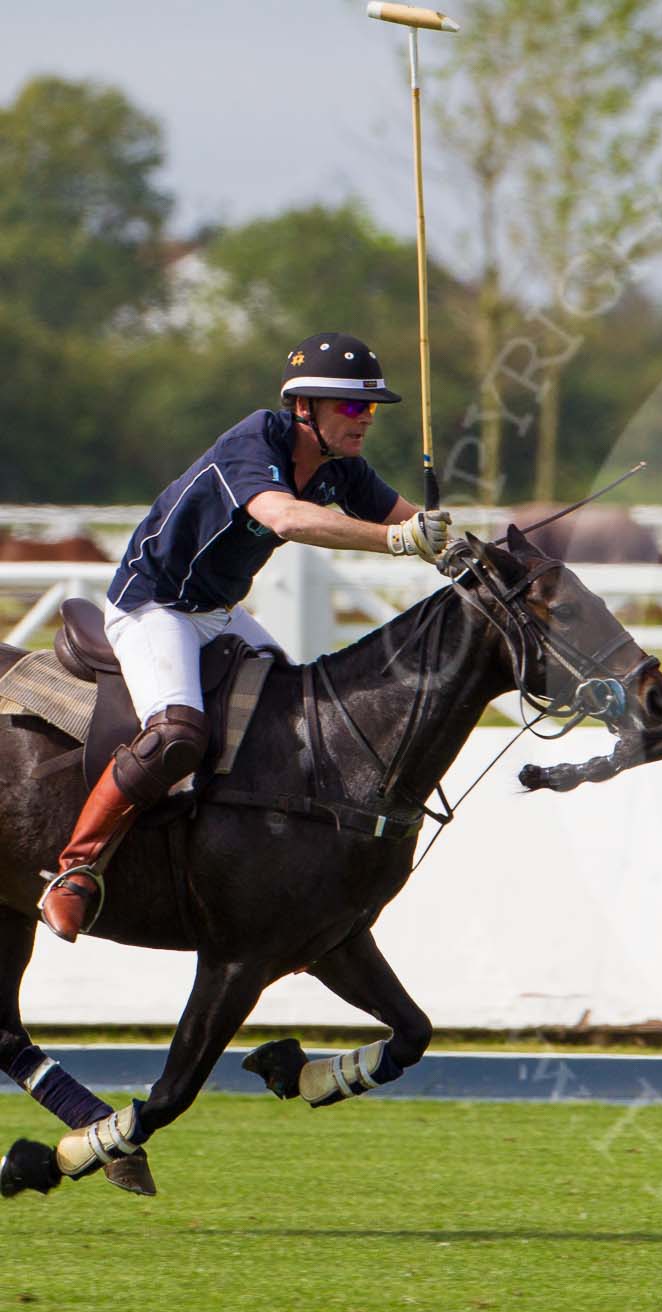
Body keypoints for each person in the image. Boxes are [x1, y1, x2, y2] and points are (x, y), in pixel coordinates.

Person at [37, 332, 453, 942]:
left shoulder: (343, 470)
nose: (365, 418)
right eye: (351, 406)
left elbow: (408, 519)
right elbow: (285, 516)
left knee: (297, 717)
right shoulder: (254, 441)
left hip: (218, 612)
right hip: (156, 608)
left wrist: (457, 546)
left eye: (370, 408)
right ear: (304, 407)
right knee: (177, 734)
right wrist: (396, 542)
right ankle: (76, 871)